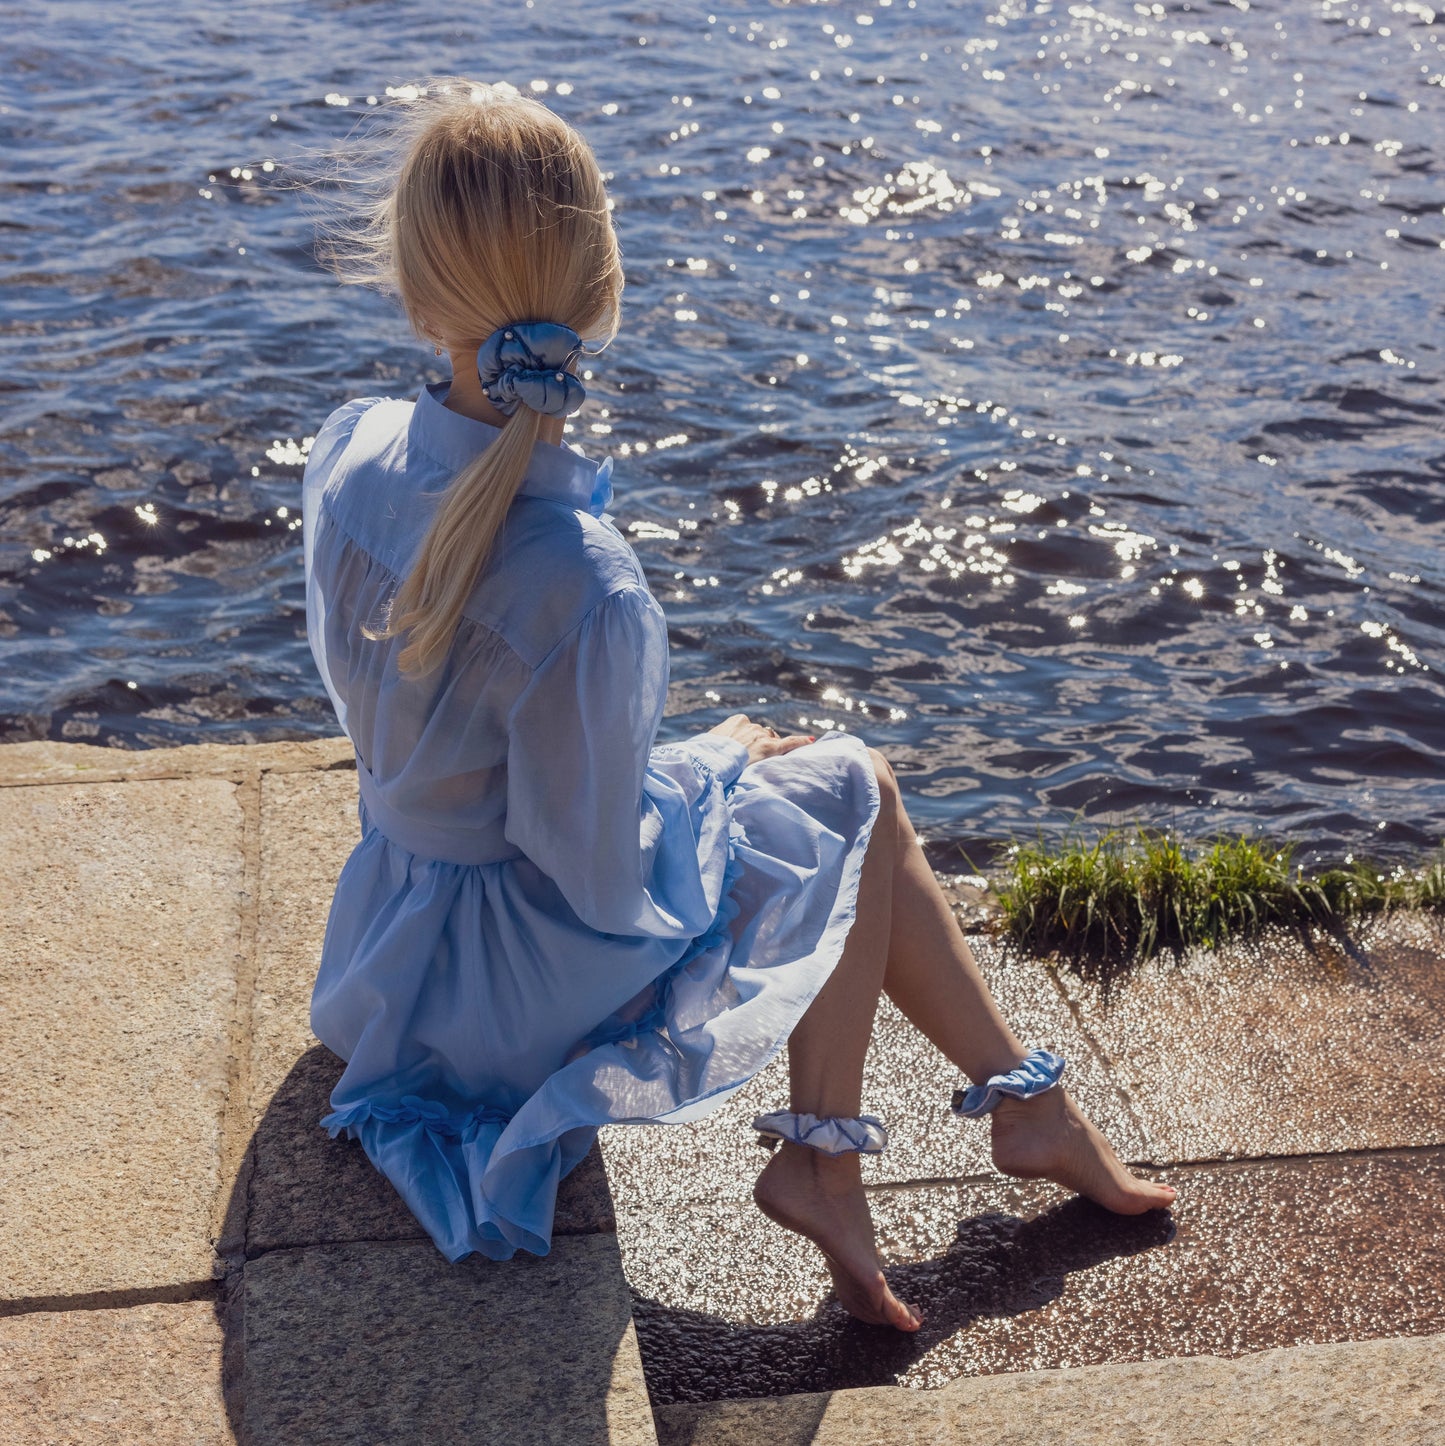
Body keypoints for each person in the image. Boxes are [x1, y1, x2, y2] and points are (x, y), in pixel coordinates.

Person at [300, 78, 1174, 1335]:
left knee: (839, 795)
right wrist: (708, 758)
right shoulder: (584, 584)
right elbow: (595, 878)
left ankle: (1018, 1111)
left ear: (411, 282)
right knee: (850, 790)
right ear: (598, 288)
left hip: (391, 945)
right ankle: (846, 1158)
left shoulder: (350, 450)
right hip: (495, 991)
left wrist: (696, 768)